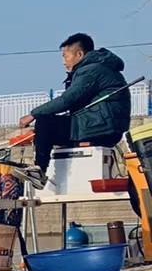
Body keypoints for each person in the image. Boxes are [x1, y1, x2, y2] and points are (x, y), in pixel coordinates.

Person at [18, 34, 132, 187]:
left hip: (100, 128)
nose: (64, 62)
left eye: (66, 56)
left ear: (79, 54)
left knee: (45, 121)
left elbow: (67, 100)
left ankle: (39, 170)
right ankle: (39, 169)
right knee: (48, 125)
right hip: (101, 125)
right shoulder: (100, 67)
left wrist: (33, 114)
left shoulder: (91, 70)